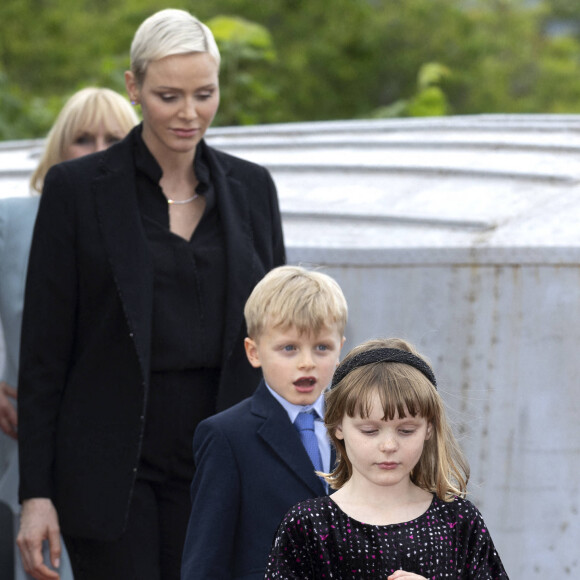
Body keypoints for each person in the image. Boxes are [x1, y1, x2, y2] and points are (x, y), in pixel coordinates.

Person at [16, 8, 285, 580]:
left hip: (224, 463)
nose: (189, 114)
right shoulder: (77, 190)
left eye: (204, 93)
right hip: (111, 472)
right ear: (133, 88)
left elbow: (283, 341)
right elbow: (44, 354)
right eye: (168, 96)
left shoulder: (253, 189)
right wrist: (35, 495)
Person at [0, 86, 139, 580]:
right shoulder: (12, 219)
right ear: (59, 146)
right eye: (83, 138)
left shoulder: (157, 227)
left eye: (114, 138)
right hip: (26, 449)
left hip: (126, 464)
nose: (99, 150)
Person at [265, 338, 509, 579]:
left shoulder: (460, 521)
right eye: (370, 431)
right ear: (337, 425)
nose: (389, 446)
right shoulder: (308, 526)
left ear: (429, 428)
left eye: (406, 430)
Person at [181, 265, 347, 580]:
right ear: (254, 352)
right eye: (289, 348)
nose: (307, 362)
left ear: (340, 348)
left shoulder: (359, 426)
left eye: (321, 347)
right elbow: (205, 560)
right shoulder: (226, 436)